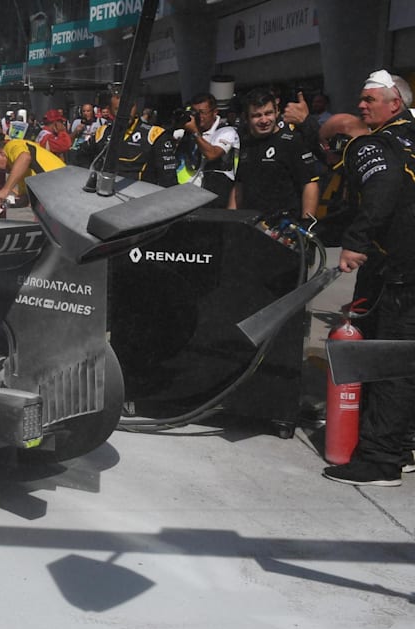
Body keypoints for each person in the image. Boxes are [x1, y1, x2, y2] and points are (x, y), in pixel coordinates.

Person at [323, 69, 415, 486]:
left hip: (398, 273)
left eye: (369, 100)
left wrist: (355, 241)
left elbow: (382, 189)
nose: (361, 106)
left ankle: (380, 461)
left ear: (394, 103)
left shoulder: (374, 144)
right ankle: (403, 445)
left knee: (388, 362)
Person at [228, 89, 321, 219]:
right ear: (246, 117)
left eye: (268, 113)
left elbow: (310, 184)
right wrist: (231, 221)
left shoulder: (292, 141)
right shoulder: (244, 143)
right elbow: (239, 186)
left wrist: (307, 224)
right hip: (251, 225)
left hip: (285, 225)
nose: (264, 120)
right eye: (257, 115)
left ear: (277, 112)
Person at [93, 92, 179, 186]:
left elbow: (169, 180)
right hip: (105, 193)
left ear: (136, 107)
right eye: (119, 109)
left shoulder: (154, 134)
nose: (126, 112)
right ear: (109, 111)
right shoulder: (101, 133)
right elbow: (78, 161)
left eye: (130, 107)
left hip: (141, 196)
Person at [178, 92, 240, 207]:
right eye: (195, 112)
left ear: (215, 112)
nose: (198, 116)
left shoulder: (227, 131)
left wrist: (195, 133)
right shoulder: (187, 131)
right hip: (189, 196)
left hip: (218, 194)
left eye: (202, 112)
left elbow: (212, 154)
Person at [0, 136, 66, 212]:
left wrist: (5, 190)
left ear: (2, 153)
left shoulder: (12, 145)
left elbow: (25, 157)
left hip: (62, 185)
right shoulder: (20, 172)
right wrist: (2, 204)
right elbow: (25, 199)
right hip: (56, 195)